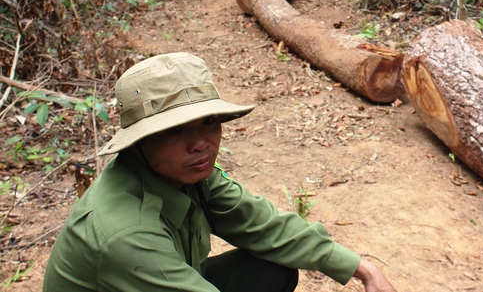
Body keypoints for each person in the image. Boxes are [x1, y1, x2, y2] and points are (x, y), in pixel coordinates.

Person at [43, 52, 397, 292]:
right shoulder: (126, 234)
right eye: (175, 130)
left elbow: (263, 224)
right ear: (138, 143)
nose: (201, 143)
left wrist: (362, 269)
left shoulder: (187, 173)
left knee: (272, 270)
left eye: (209, 122)